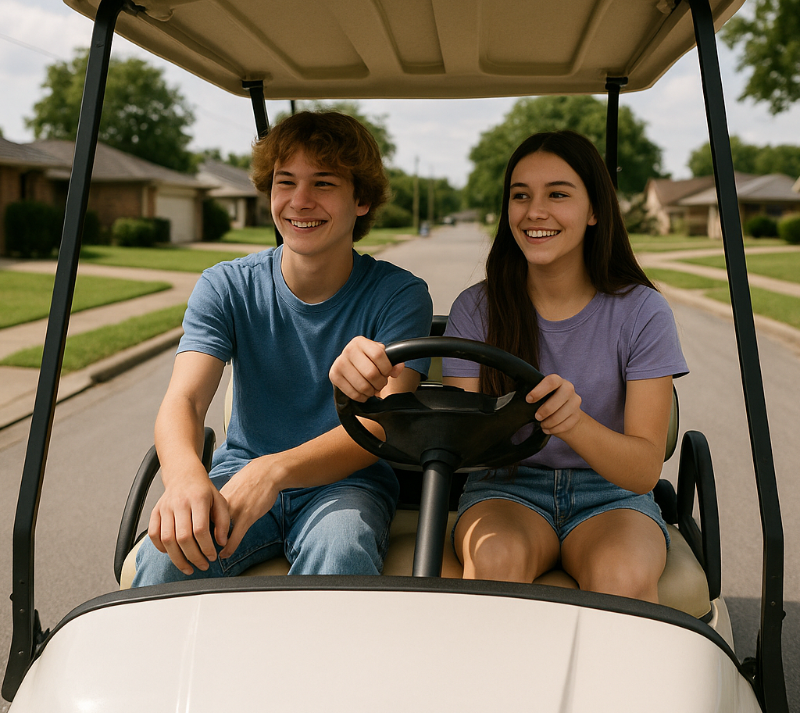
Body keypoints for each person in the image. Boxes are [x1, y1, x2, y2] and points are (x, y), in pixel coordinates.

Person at [132, 111, 432, 587]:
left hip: (346, 485)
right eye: (285, 181)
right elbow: (184, 400)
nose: (299, 201)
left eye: (324, 183)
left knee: (341, 551)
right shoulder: (226, 285)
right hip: (240, 474)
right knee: (164, 560)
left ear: (362, 200)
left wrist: (275, 471)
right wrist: (187, 476)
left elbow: (386, 420)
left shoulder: (398, 295)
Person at [441, 131, 687, 603]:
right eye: (520, 196)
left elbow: (642, 471)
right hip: (505, 489)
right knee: (495, 564)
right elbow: (462, 447)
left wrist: (573, 424)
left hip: (612, 495)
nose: (535, 211)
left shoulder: (643, 312)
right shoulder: (476, 310)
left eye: (558, 194)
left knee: (623, 577)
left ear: (594, 211)